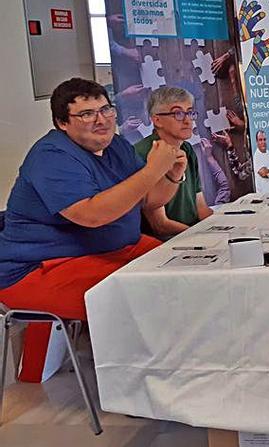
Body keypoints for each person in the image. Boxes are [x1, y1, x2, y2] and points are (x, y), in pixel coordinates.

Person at [0, 78, 184, 380]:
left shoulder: (117, 146)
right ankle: (142, 386)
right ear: (62, 123)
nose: (101, 120)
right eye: (86, 114)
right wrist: (153, 169)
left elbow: (149, 200)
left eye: (106, 109)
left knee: (183, 269)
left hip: (111, 250)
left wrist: (171, 176)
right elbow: (92, 215)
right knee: (142, 294)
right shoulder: (51, 156)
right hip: (39, 267)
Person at [135, 87, 213, 238]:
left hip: (193, 234)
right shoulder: (142, 154)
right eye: (178, 113)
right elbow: (160, 225)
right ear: (156, 120)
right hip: (165, 243)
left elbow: (201, 209)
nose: (187, 120)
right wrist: (201, 236)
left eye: (190, 112)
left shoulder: (187, 149)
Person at [252, 130, 269, 195]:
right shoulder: (256, 156)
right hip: (263, 196)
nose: (263, 142)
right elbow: (263, 173)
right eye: (260, 140)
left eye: (264, 139)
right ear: (257, 142)